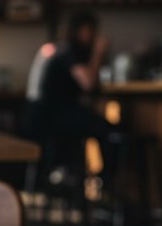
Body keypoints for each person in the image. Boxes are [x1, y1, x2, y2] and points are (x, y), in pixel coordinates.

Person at [23, 11, 110, 152]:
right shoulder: (68, 50)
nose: (93, 35)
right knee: (105, 128)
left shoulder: (59, 47)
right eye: (89, 30)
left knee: (96, 123)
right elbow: (88, 83)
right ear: (77, 30)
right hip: (48, 116)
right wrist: (98, 54)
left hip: (38, 113)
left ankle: (82, 170)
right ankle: (107, 174)